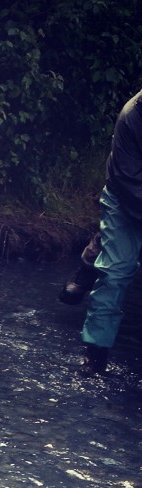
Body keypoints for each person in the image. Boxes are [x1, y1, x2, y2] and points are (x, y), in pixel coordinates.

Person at [74, 88, 142, 376]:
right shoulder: (133, 115)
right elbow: (128, 181)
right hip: (125, 199)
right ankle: (95, 357)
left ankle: (94, 252)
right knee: (115, 274)